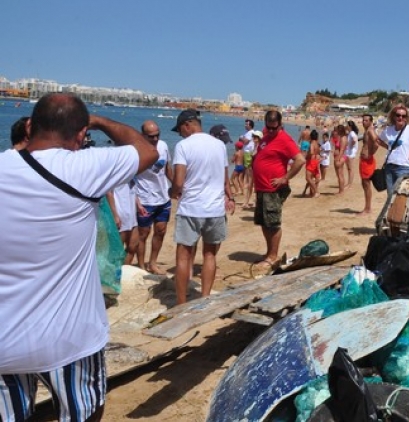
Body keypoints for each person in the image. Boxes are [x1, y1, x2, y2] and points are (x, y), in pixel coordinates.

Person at [0, 93, 157, 421]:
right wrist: (100, 120)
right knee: (83, 413)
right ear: (81, 135)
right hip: (70, 341)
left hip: (5, 341)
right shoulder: (84, 167)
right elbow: (147, 150)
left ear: (29, 125)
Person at [169, 109, 235, 305]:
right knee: (209, 255)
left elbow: (179, 181)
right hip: (214, 209)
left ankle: (181, 304)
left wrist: (173, 192)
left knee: (183, 257)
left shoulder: (183, 146)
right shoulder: (219, 145)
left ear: (187, 125)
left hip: (191, 209)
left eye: (180, 130)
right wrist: (230, 197)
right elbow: (225, 177)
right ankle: (205, 299)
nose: (180, 134)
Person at [251, 110, 305, 269]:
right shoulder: (266, 138)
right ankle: (269, 253)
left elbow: (300, 160)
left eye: (275, 128)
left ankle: (273, 256)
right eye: (269, 127)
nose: (272, 130)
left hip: (273, 189)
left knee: (272, 224)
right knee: (264, 222)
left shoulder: (284, 139)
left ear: (281, 125)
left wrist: (285, 178)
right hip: (262, 187)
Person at [133, 120, 173, 275]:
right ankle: (142, 266)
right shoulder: (135, 149)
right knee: (143, 233)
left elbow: (167, 168)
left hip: (163, 197)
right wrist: (135, 200)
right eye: (151, 137)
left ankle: (153, 263)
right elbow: (129, 177)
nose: (155, 139)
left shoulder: (163, 146)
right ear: (143, 135)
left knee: (161, 230)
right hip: (144, 198)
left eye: (157, 135)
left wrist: (177, 187)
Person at [377, 105, 409, 195]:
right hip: (389, 166)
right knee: (390, 196)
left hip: (404, 167)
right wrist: (388, 147)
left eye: (403, 116)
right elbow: (378, 140)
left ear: (407, 118)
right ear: (393, 116)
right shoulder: (388, 130)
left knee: (402, 197)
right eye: (398, 115)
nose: (401, 118)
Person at [357, 114, 379, 215]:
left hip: (367, 161)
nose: (364, 122)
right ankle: (367, 207)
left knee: (366, 184)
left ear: (370, 121)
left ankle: (368, 208)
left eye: (366, 120)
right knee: (364, 184)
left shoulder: (370, 131)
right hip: (364, 160)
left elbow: (376, 143)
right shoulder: (367, 131)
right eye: (363, 120)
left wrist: (370, 154)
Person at [302, 129, 321, 198]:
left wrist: (307, 156)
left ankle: (316, 191)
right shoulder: (317, 143)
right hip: (316, 161)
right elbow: (318, 151)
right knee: (313, 177)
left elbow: (311, 152)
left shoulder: (312, 144)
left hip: (311, 161)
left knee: (308, 178)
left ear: (310, 136)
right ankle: (312, 192)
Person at [345, 120, 360, 189]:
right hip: (349, 152)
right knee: (349, 169)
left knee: (350, 169)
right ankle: (349, 183)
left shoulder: (352, 133)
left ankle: (349, 184)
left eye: (347, 125)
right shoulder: (351, 133)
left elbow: (355, 139)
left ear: (350, 126)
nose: (346, 126)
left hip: (351, 153)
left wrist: (351, 145)